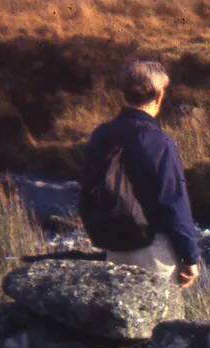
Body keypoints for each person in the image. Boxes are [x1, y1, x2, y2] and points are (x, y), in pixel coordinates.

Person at [81, 60, 201, 288]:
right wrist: (190, 257)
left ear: (125, 93)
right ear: (158, 96)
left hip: (113, 247)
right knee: (158, 321)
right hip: (154, 250)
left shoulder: (101, 134)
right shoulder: (160, 143)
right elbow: (174, 203)